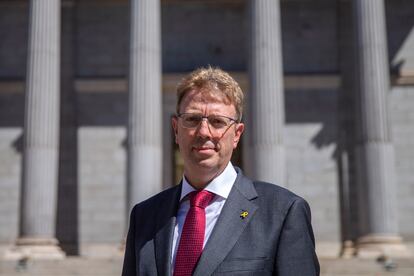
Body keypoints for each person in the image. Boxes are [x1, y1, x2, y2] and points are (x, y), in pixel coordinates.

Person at [122, 66, 320, 276]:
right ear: (176, 130)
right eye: (192, 119)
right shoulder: (144, 216)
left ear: (236, 134)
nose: (204, 132)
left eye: (217, 122)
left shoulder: (282, 212)